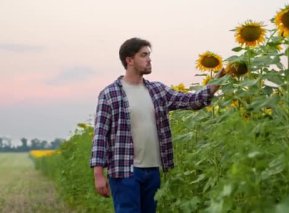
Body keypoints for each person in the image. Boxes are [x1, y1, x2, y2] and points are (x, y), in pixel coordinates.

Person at [90, 37, 224, 213]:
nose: (149, 59)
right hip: (124, 171)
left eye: (149, 55)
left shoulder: (158, 90)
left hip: (152, 171)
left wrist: (217, 82)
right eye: (143, 55)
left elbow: (192, 101)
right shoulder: (110, 94)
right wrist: (98, 174)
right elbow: (100, 135)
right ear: (129, 60)